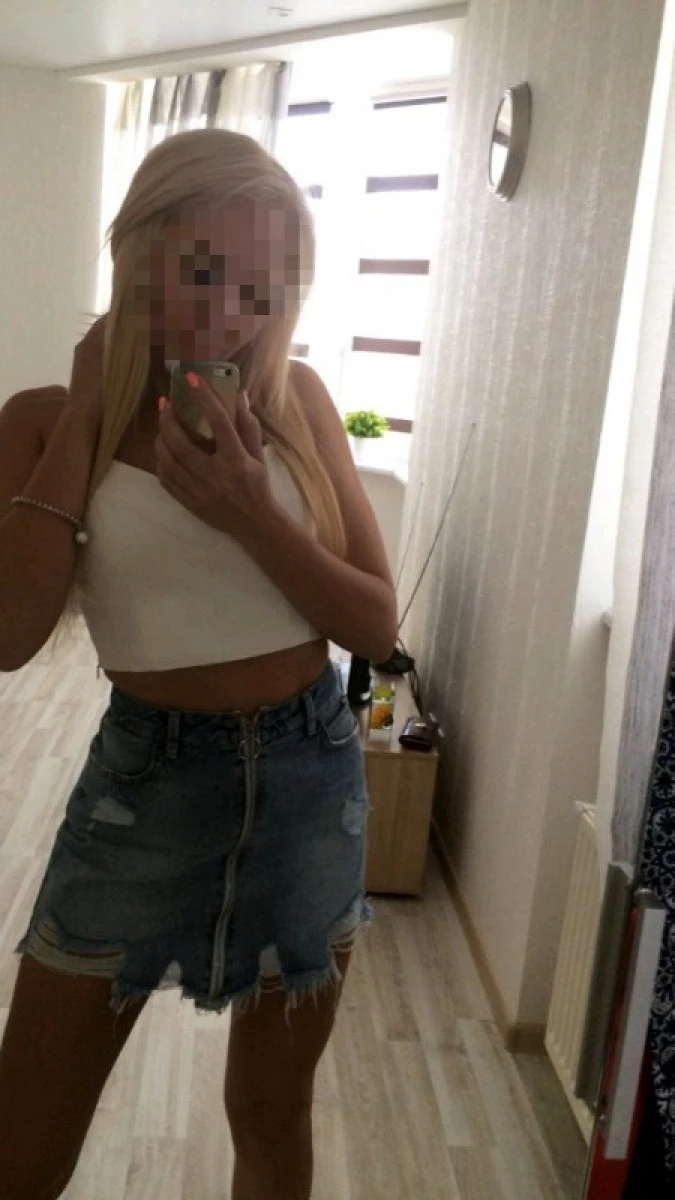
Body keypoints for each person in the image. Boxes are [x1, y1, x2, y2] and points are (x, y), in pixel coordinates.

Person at [0, 127, 397, 1200]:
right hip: (145, 788)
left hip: (309, 781)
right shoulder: (39, 421)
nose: (229, 317)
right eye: (204, 271)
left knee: (270, 1119)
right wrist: (89, 411)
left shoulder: (299, 404)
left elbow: (375, 625)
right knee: (21, 1145)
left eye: (260, 292)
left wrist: (249, 513)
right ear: (138, 252)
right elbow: (9, 634)